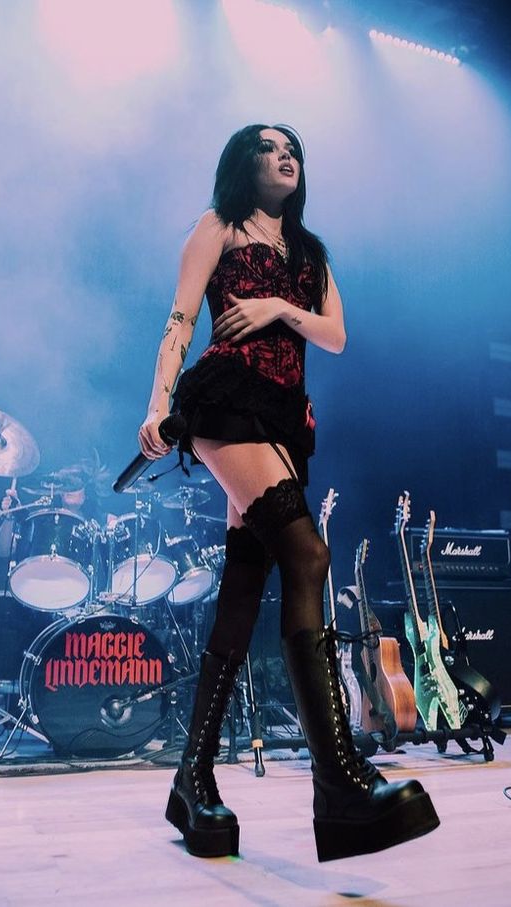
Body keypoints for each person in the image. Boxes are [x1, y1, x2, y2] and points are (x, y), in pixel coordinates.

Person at [138, 124, 439, 862]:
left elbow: (334, 334)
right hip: (223, 400)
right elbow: (179, 319)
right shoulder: (217, 226)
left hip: (284, 418)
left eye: (293, 148)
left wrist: (277, 306)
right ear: (243, 161)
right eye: (268, 146)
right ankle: (338, 784)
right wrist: (156, 404)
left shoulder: (310, 253)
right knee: (306, 555)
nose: (285, 155)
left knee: (244, 590)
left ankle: (192, 778)